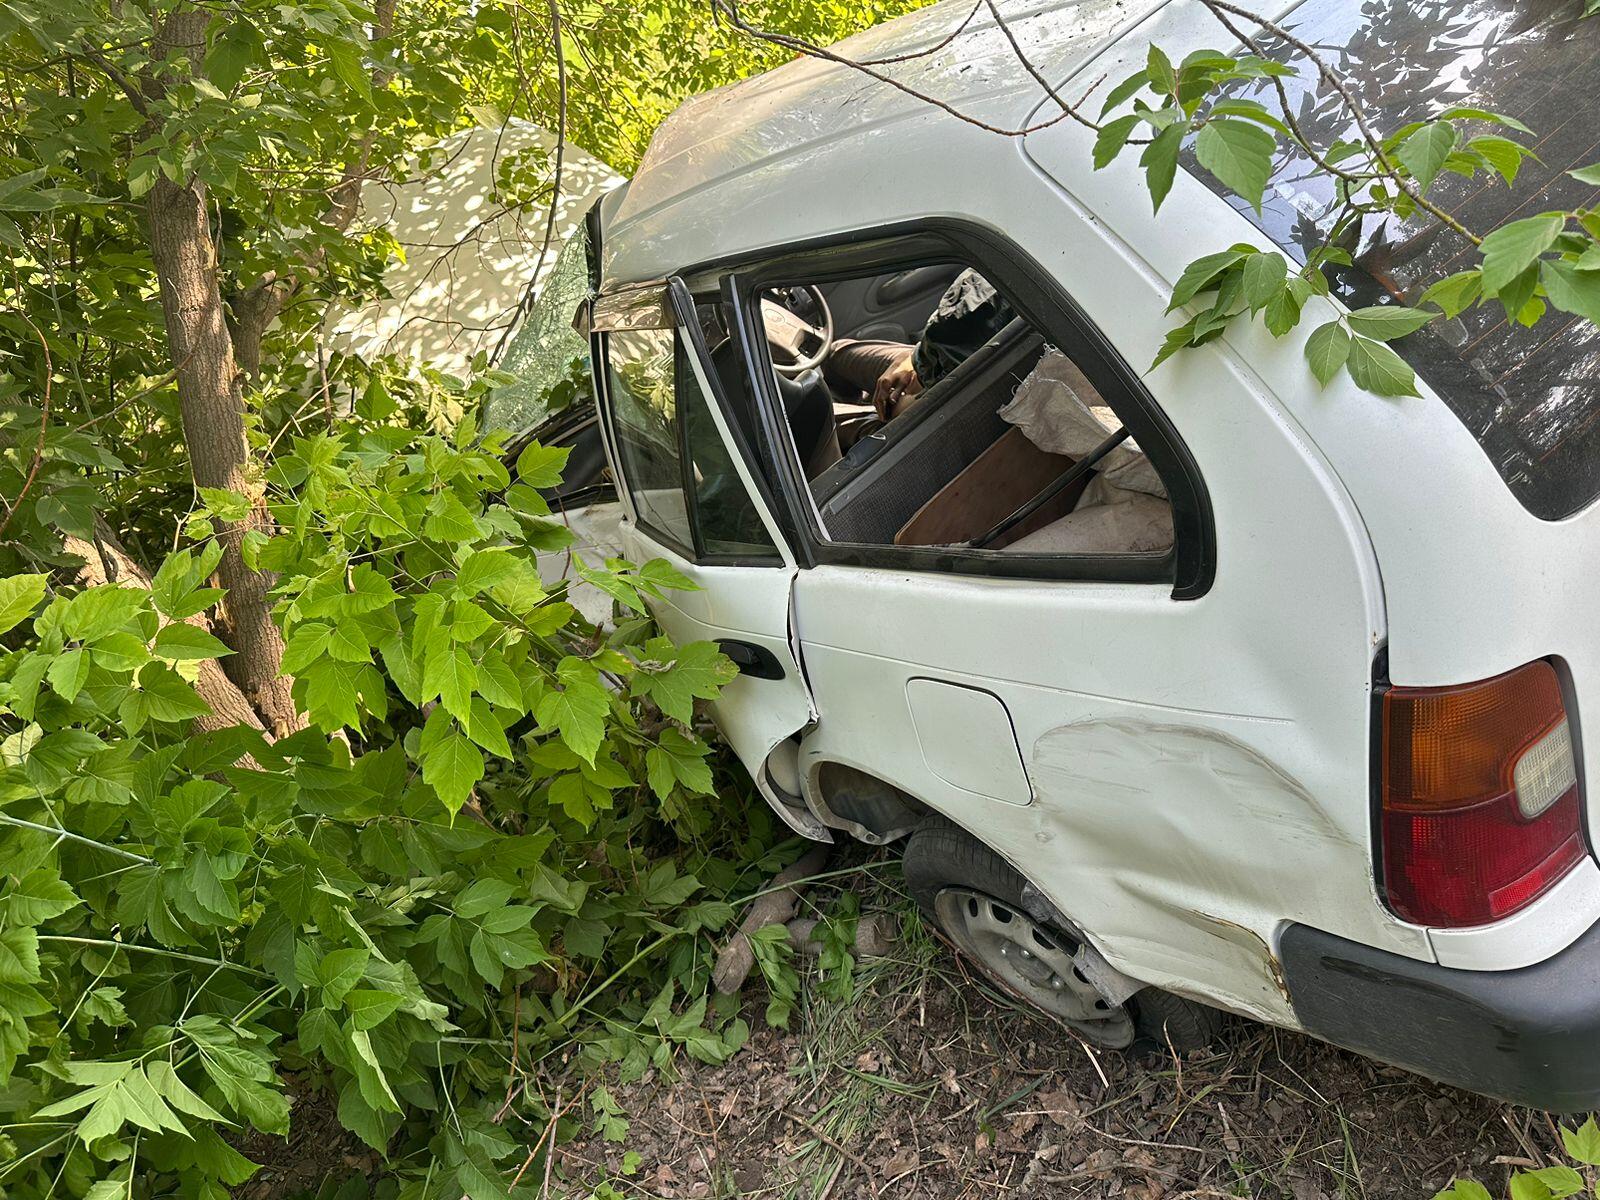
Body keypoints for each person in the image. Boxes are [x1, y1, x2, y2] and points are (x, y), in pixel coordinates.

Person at [823, 269, 1016, 420]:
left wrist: (918, 397)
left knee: (830, 421)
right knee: (835, 353)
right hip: (924, 358)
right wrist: (911, 361)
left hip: (944, 395)